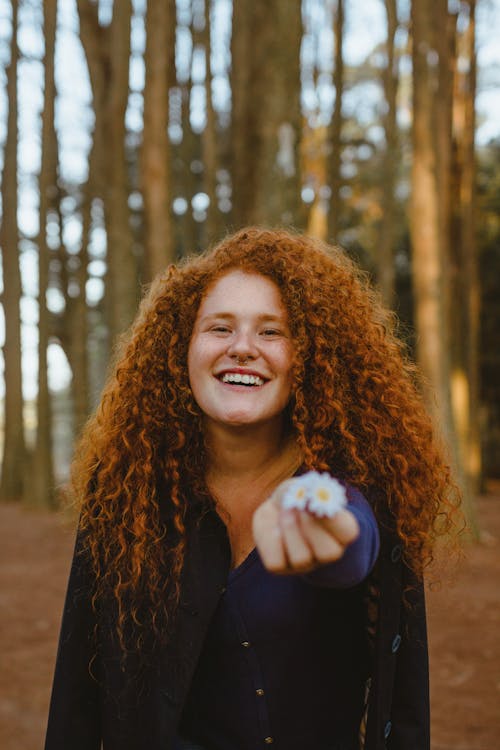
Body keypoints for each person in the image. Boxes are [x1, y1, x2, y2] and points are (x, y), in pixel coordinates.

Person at [45, 227, 460, 750]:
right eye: (220, 328)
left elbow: (355, 550)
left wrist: (326, 532)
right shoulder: (126, 491)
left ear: (309, 356)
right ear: (182, 348)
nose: (243, 348)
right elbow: (76, 697)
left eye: (272, 332)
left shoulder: (357, 484)